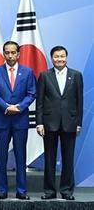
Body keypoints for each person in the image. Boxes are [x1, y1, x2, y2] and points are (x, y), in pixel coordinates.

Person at [0, 40, 36, 200]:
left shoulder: (28, 72)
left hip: (20, 120)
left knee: (21, 156)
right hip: (2, 120)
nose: (10, 55)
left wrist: (20, 107)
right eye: (7, 52)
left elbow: (31, 93)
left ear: (18, 54)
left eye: (13, 52)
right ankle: (2, 190)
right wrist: (7, 107)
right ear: (4, 54)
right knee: (1, 157)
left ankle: (21, 190)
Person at [36, 46, 83, 200]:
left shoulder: (76, 75)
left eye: (62, 56)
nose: (60, 59)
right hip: (49, 123)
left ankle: (67, 191)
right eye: (56, 56)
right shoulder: (44, 75)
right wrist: (39, 122)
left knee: (68, 159)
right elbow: (40, 102)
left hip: (70, 123)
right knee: (49, 159)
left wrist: (78, 123)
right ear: (52, 58)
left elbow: (79, 102)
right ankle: (49, 191)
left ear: (67, 58)